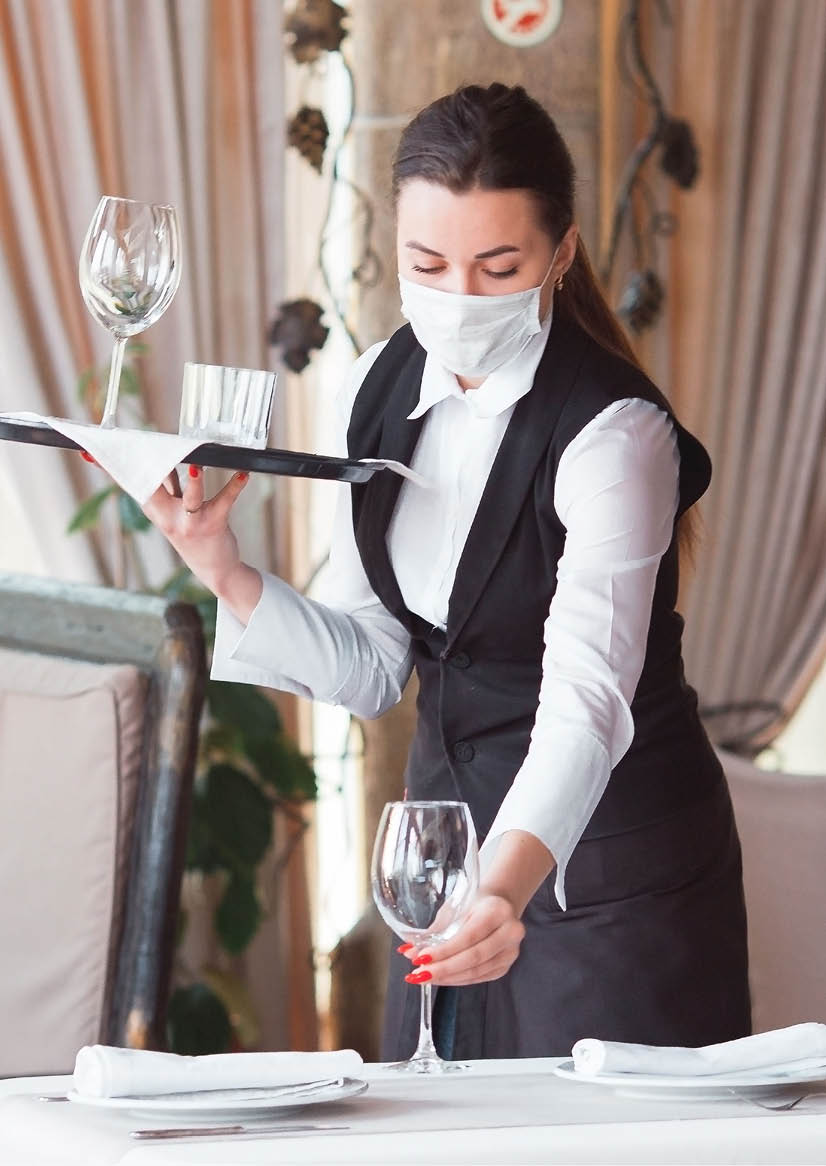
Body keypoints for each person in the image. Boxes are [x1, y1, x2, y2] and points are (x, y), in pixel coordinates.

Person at [142, 83, 751, 1061]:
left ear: (562, 252)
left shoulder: (615, 434)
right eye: (428, 263)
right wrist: (221, 565)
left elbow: (587, 699)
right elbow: (377, 662)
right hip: (446, 866)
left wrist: (502, 886)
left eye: (496, 265)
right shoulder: (373, 386)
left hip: (609, 873)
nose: (457, 299)